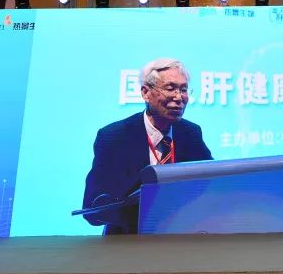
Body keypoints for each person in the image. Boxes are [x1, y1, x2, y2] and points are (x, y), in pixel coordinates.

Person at [82, 58, 213, 234]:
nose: (179, 97)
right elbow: (92, 208)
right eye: (170, 88)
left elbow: (211, 184)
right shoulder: (115, 137)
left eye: (183, 89)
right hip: (129, 240)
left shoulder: (190, 133)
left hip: (180, 238)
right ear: (145, 92)